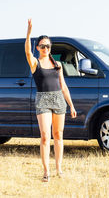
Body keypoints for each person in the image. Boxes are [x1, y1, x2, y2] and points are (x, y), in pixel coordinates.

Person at [24, 18, 77, 182]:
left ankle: (59, 169)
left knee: (58, 135)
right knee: (46, 136)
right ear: (38, 47)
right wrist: (29, 33)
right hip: (43, 100)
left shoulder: (58, 64)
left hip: (58, 99)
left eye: (47, 46)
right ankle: (46, 171)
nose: (45, 48)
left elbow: (64, 86)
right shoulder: (35, 63)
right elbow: (27, 52)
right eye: (42, 46)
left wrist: (71, 105)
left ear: (50, 48)